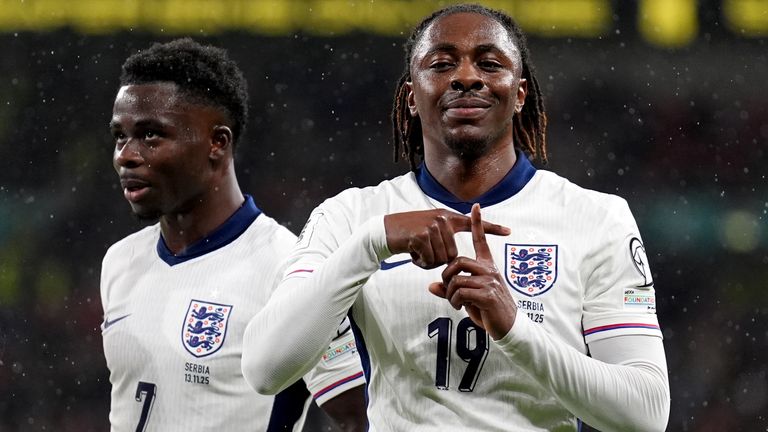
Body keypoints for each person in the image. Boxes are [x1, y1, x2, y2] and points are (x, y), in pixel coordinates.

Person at [242, 4, 670, 431]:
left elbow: (645, 414)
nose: (466, 77)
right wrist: (374, 241)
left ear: (519, 94)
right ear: (412, 96)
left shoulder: (597, 219)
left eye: (489, 63)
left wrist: (514, 329)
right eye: (442, 64)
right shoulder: (349, 217)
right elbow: (266, 370)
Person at [100, 38, 366, 432]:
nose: (126, 154)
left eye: (151, 134)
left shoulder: (293, 272)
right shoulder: (120, 261)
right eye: (120, 136)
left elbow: (359, 419)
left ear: (217, 143)